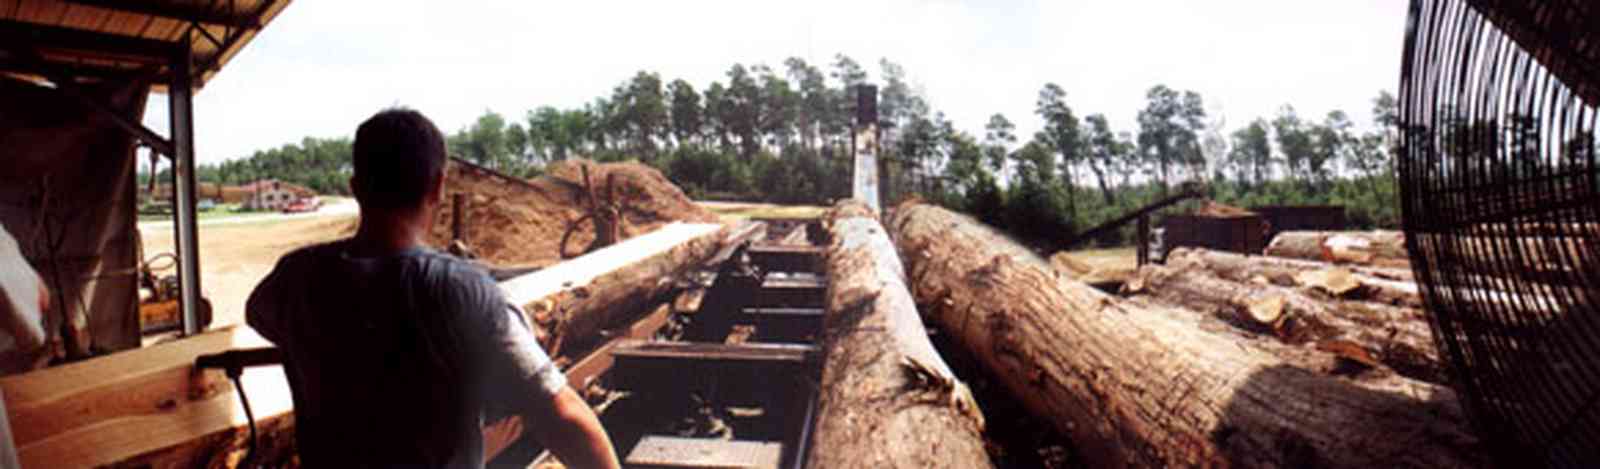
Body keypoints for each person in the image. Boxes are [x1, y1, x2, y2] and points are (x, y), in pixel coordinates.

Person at [246, 108, 619, 468]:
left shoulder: (295, 277)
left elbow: (259, 315)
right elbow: (559, 414)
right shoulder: (464, 291)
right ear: (438, 186)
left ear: (356, 188)